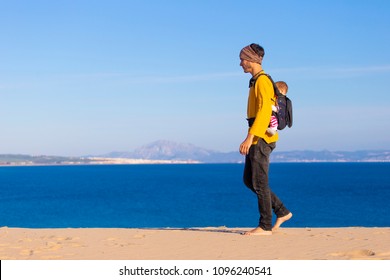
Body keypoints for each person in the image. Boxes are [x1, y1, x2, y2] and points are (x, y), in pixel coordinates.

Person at [239, 43, 292, 235]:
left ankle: (265, 226)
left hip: (261, 138)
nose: (240, 64)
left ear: (251, 60)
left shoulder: (262, 81)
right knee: (249, 180)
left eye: (242, 59)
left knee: (259, 183)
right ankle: (282, 211)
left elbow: (263, 113)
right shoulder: (256, 80)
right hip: (257, 138)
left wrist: (249, 137)